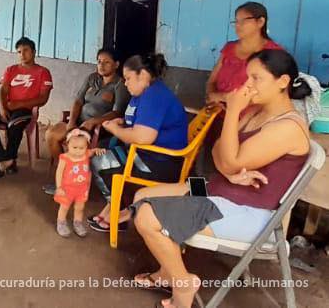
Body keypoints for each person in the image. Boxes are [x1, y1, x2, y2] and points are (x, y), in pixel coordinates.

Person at [129, 49, 311, 308]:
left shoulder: (288, 126)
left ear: (282, 82)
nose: (247, 85)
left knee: (147, 215)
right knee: (143, 195)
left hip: (248, 211)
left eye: (256, 78)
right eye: (247, 77)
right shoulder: (256, 112)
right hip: (219, 189)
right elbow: (217, 152)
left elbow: (229, 159)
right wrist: (230, 172)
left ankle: (183, 285)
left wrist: (234, 112)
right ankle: (168, 271)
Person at [88, 53, 188, 233]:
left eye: (128, 78)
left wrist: (115, 129)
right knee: (104, 146)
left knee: (99, 161)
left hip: (161, 162)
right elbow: (139, 122)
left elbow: (143, 137)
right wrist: (123, 124)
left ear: (142, 75)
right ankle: (113, 207)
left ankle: (117, 212)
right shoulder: (144, 92)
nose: (125, 83)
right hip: (149, 154)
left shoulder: (154, 95)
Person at [43, 48, 129, 194]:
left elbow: (117, 113)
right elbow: (78, 100)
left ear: (116, 64)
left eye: (107, 62)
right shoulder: (92, 78)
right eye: (99, 62)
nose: (101, 65)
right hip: (78, 123)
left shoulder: (120, 85)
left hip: (98, 129)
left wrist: (93, 122)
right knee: (51, 134)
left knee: (75, 143)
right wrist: (71, 122)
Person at [0, 36, 53, 182]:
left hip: (25, 109)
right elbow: (3, 91)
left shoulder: (43, 72)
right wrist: (2, 109)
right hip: (7, 106)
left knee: (15, 124)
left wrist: (18, 105)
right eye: (19, 51)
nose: (22, 54)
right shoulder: (11, 70)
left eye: (25, 50)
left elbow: (43, 99)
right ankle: (6, 160)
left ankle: (2, 165)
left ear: (33, 52)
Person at [206, 2, 282, 108]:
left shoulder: (274, 52)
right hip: (219, 114)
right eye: (236, 21)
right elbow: (211, 82)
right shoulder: (229, 48)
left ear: (260, 22)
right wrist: (213, 99)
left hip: (253, 119)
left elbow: (273, 95)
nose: (237, 25)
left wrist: (224, 97)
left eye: (243, 21)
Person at [54, 129, 105, 238]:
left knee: (80, 207)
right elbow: (59, 172)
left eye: (82, 148)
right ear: (67, 145)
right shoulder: (65, 158)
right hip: (67, 189)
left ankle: (78, 223)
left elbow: (94, 151)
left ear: (87, 146)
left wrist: (98, 150)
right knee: (64, 206)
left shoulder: (86, 154)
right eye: (74, 148)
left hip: (82, 189)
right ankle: (61, 223)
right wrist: (59, 187)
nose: (78, 151)